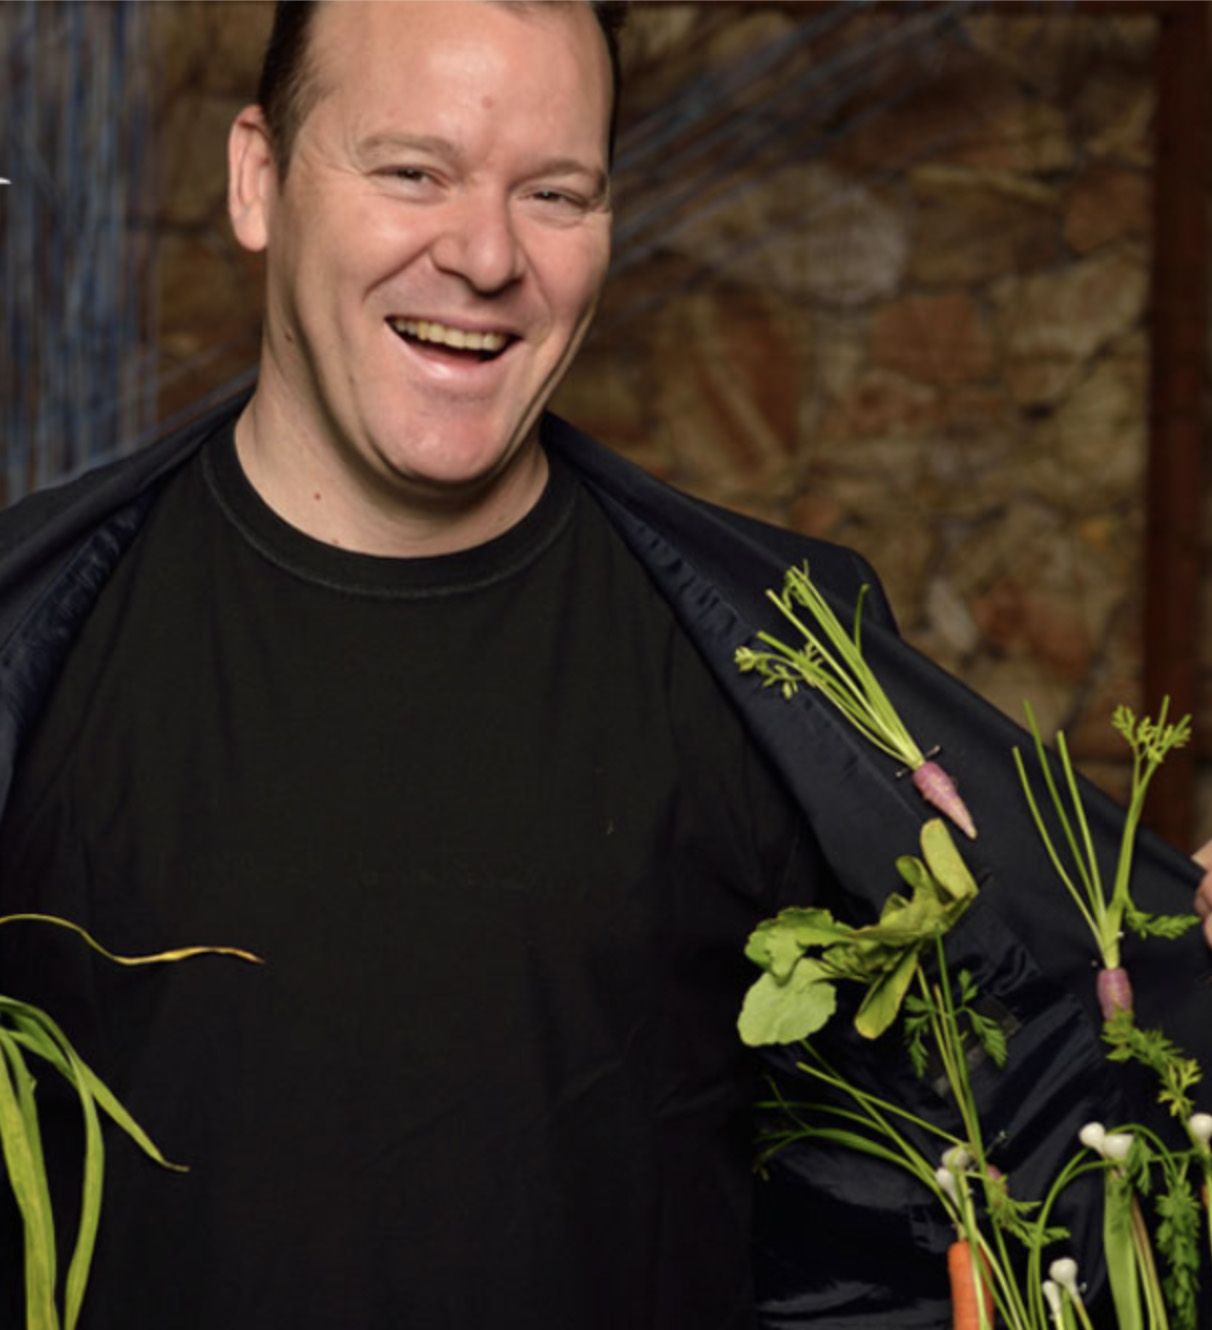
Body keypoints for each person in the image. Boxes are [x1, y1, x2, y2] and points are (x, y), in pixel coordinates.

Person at [0, 3, 1209, 1327]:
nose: (484, 255)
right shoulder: (37, 639)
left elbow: (1056, 1075)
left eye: (555, 193)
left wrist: (1195, 946)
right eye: (414, 171)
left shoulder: (778, 676)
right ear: (257, 179)